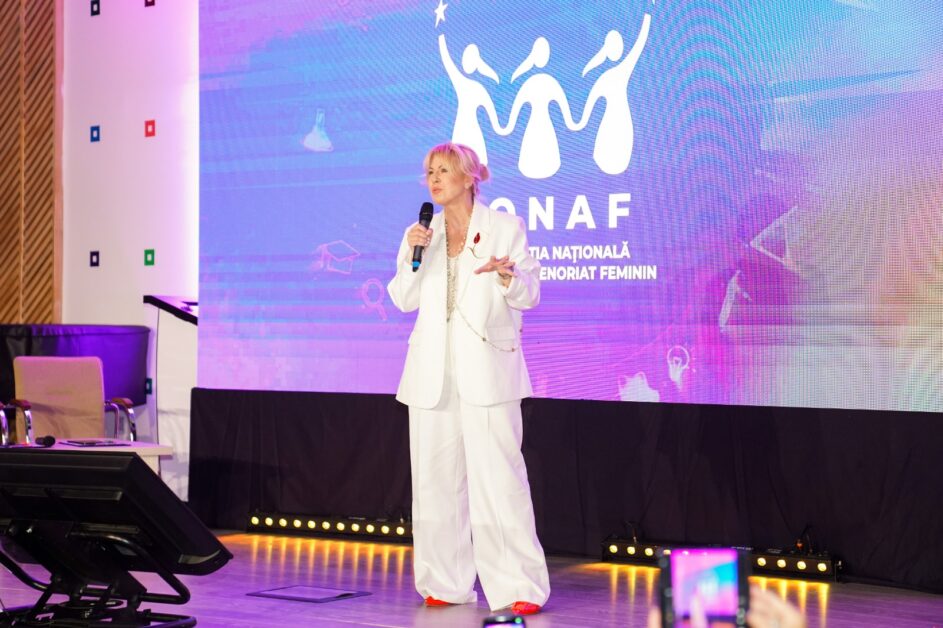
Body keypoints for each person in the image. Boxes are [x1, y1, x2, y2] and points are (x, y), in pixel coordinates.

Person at [387, 142, 550, 615]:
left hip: (488, 371)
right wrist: (413, 253)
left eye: (444, 170)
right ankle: (445, 580)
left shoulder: (504, 227)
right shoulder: (422, 234)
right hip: (431, 374)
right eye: (429, 172)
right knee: (435, 483)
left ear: (468, 177)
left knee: (499, 481)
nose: (434, 179)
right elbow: (402, 298)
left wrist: (507, 278)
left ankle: (518, 585)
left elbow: (530, 293)